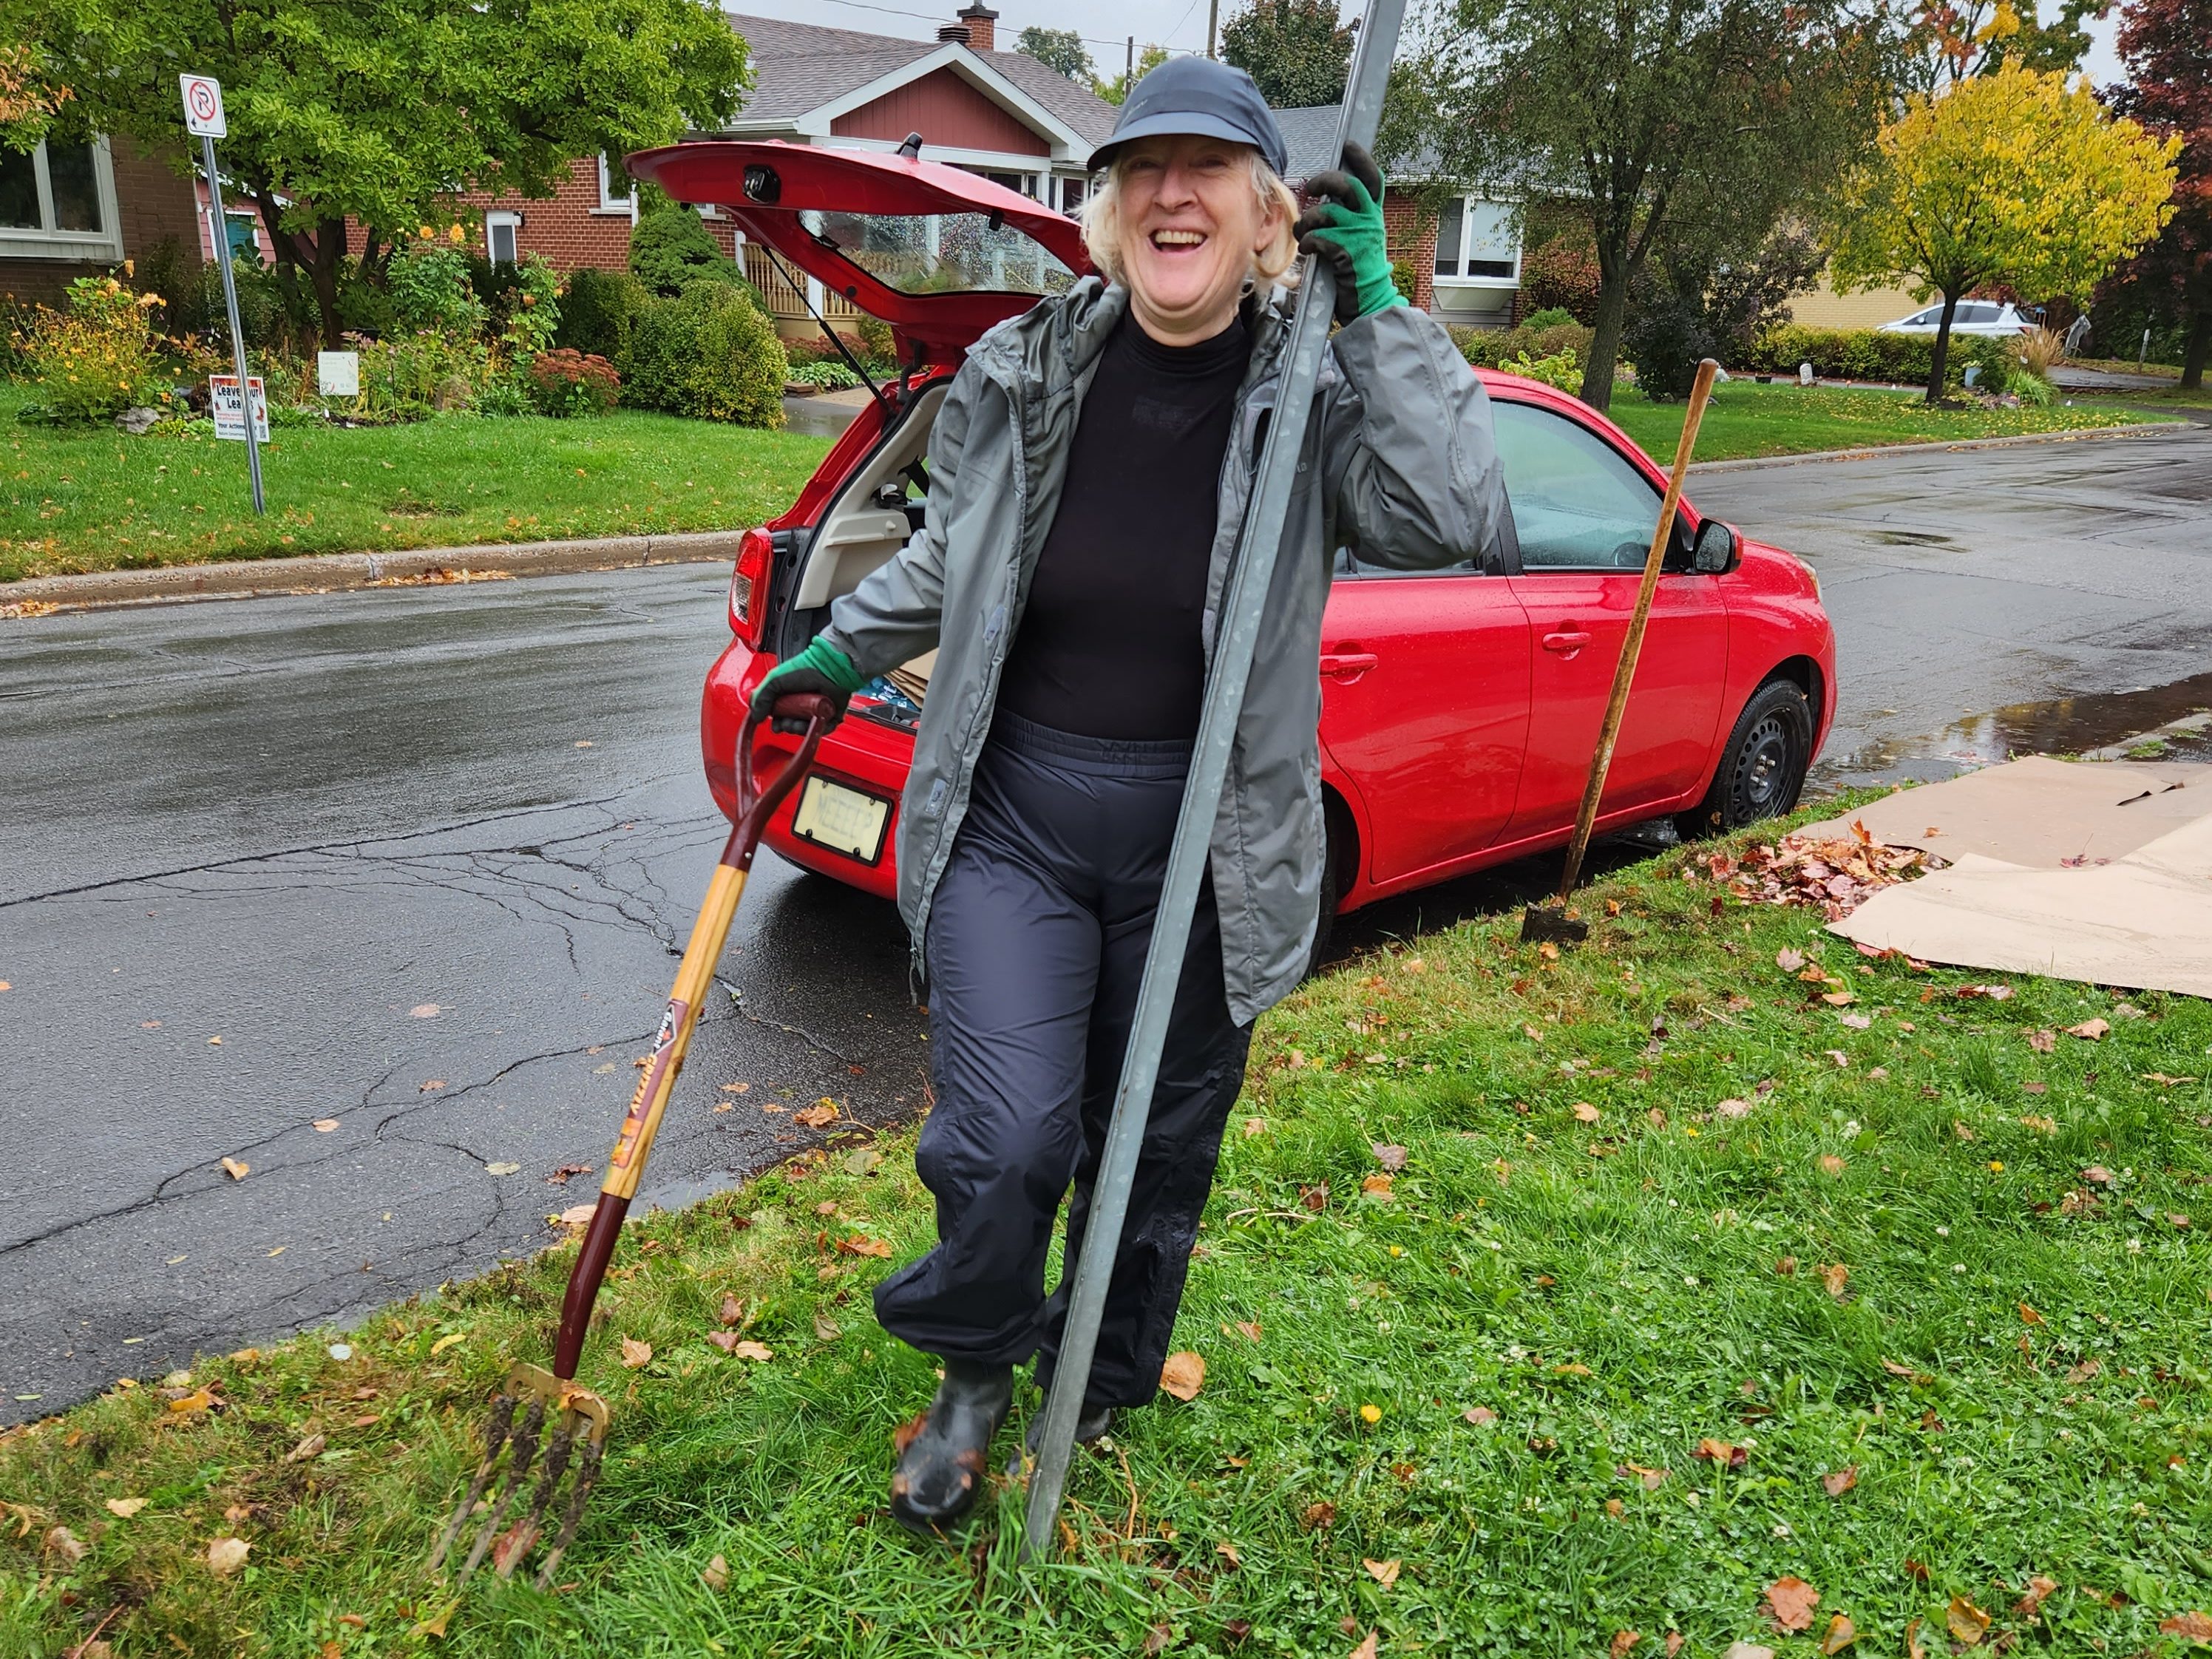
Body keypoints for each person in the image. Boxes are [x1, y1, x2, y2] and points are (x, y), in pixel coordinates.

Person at [752, 56, 1509, 1533]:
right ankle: (972, 1372)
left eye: (1207, 168)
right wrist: (843, 648)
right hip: (1018, 819)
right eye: (1139, 169)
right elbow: (955, 551)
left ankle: (1094, 1374)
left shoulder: (1312, 389)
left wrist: (1381, 313)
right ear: (1106, 213)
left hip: (1206, 842)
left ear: (1262, 209)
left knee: (1153, 1154)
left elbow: (1453, 519)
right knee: (1005, 1137)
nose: (1171, 193)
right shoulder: (1030, 367)